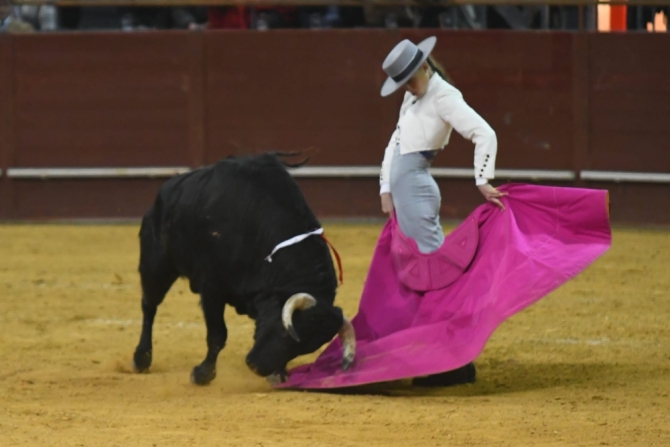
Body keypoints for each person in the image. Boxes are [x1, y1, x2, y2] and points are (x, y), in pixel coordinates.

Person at [378, 36, 507, 387]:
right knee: (420, 277)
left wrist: (482, 179)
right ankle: (443, 358)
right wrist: (386, 188)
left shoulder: (444, 95)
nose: (408, 87)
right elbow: (395, 141)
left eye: (410, 79)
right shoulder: (414, 94)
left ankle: (451, 363)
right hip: (407, 194)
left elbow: (485, 133)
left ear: (424, 64)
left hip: (417, 193)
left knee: (432, 278)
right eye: (403, 83)